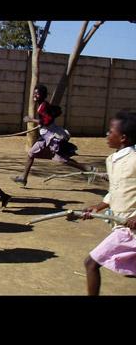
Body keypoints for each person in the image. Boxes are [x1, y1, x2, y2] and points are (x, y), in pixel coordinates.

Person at [81, 111, 136, 295]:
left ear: (123, 138)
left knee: (91, 263)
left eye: (110, 131)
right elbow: (116, 190)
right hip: (121, 223)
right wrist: (100, 206)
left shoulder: (135, 160)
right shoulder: (111, 160)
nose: (106, 134)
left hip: (131, 228)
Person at [11, 84, 96, 187]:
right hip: (45, 136)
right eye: (34, 93)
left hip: (50, 137)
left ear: (42, 95)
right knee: (31, 153)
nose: (35, 95)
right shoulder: (43, 105)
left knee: (62, 159)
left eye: (37, 93)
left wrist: (31, 120)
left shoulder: (42, 107)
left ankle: (88, 169)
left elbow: (47, 120)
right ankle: (23, 178)